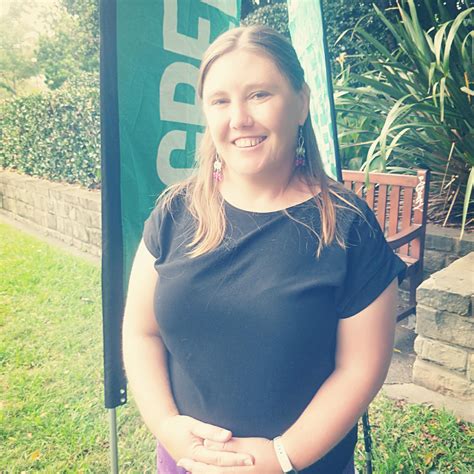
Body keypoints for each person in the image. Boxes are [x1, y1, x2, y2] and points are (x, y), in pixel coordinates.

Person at [122, 25, 406, 474]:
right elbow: (142, 333)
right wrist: (168, 428)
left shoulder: (347, 225)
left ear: (301, 102)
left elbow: (361, 367)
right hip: (186, 463)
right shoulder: (174, 212)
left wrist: (281, 457)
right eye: (220, 101)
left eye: (259, 95)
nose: (239, 118)